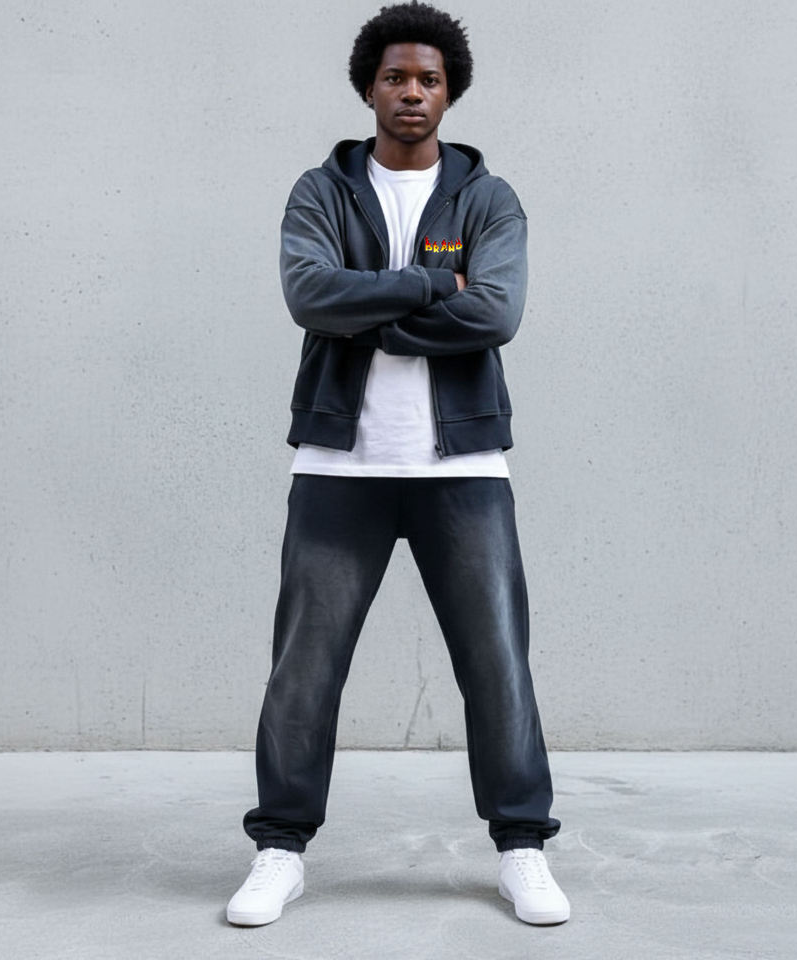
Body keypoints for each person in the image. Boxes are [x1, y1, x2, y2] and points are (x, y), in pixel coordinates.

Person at [226, 0, 569, 927]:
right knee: (304, 670)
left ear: (449, 92)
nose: (411, 91)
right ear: (369, 89)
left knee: (497, 667)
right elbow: (310, 294)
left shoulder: (488, 199)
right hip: (341, 465)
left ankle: (523, 848)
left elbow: (496, 312)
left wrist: (369, 311)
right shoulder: (321, 192)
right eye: (395, 77)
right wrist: (426, 285)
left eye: (428, 79)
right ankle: (279, 849)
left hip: (465, 468)